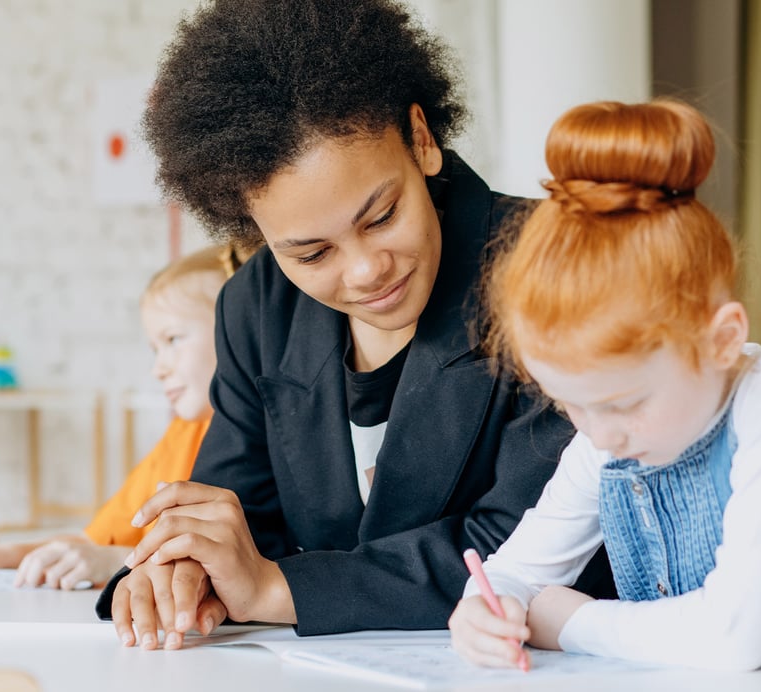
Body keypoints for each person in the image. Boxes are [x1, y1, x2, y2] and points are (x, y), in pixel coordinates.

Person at [98, 0, 616, 650]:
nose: (367, 270)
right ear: (254, 233)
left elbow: (525, 540)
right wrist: (182, 571)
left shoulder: (559, 265)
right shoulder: (254, 308)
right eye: (312, 253)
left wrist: (273, 590)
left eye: (381, 215)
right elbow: (236, 515)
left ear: (422, 140)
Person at [448, 100, 761, 671]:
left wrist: (569, 622)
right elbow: (516, 571)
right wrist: (482, 610)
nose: (601, 435)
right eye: (573, 407)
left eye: (625, 403)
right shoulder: (605, 439)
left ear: (721, 339)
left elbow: (734, 635)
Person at [0, 245, 242, 589]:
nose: (158, 369)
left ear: (242, 332)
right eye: (155, 349)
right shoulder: (182, 434)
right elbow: (98, 541)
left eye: (174, 339)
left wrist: (116, 563)